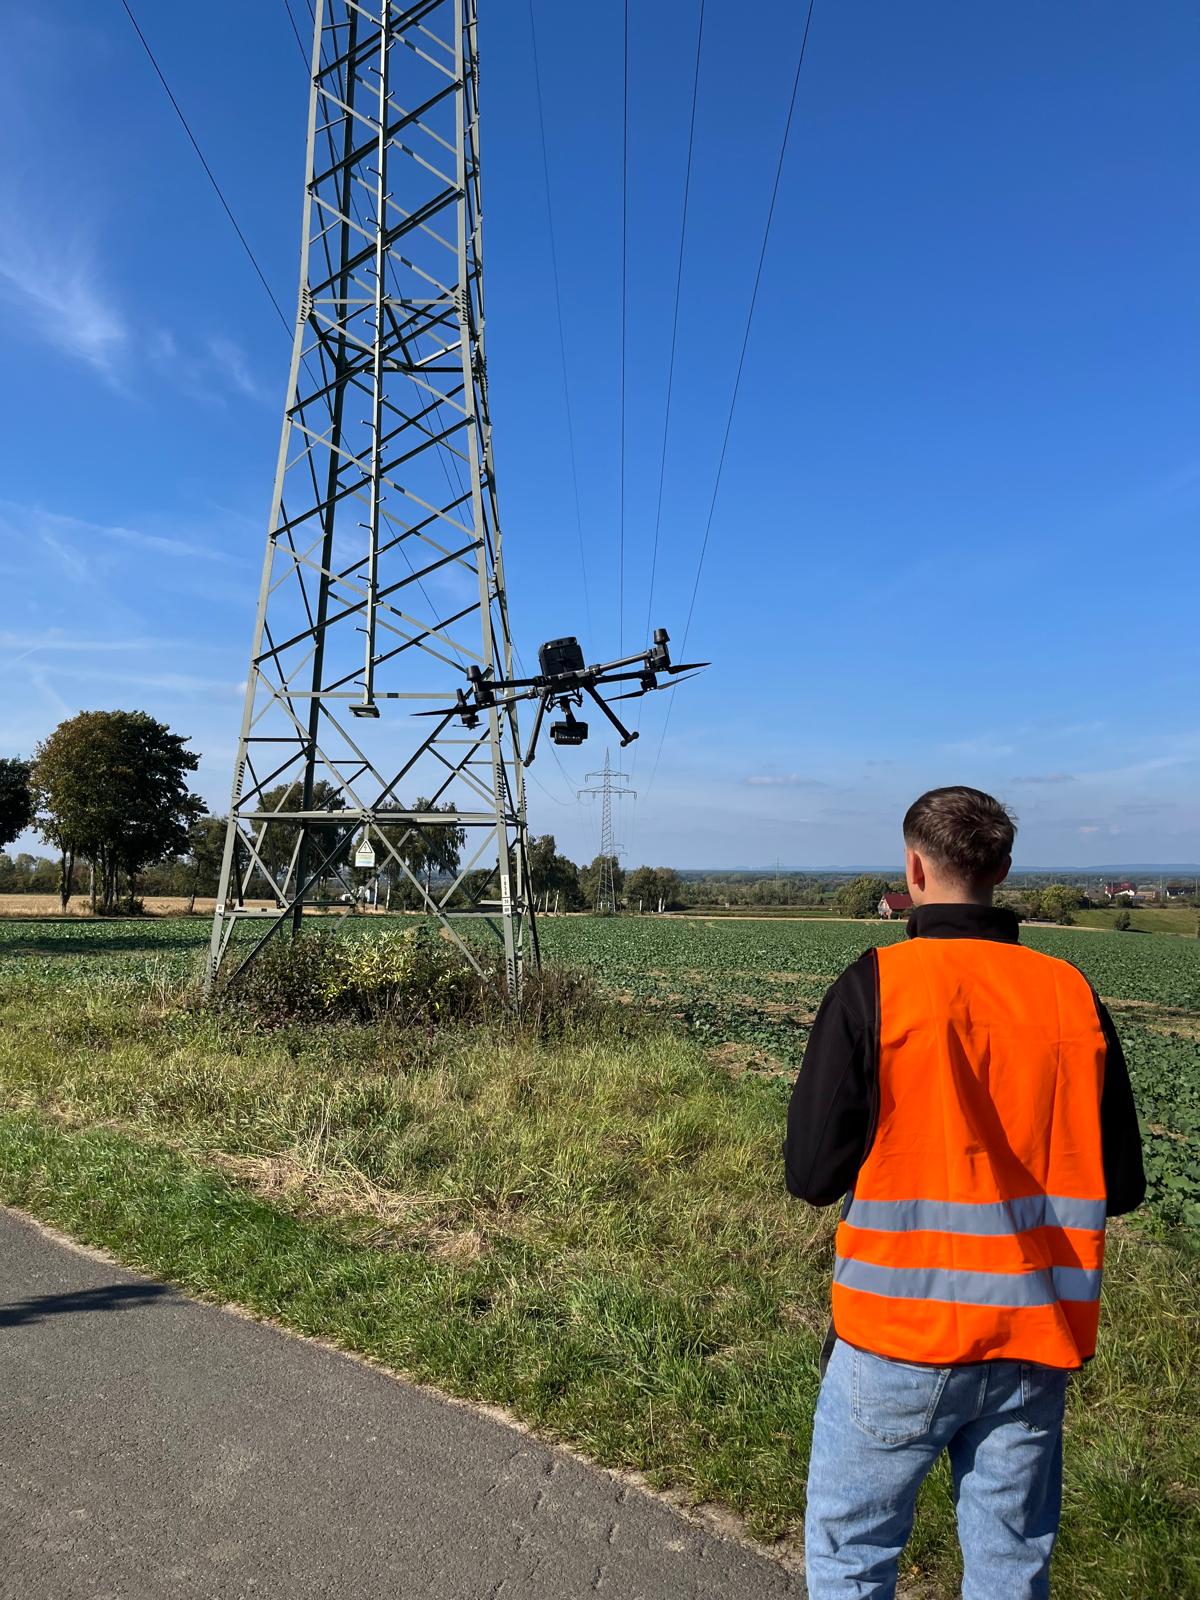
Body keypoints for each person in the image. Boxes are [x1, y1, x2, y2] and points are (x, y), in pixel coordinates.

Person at [784, 786, 1144, 1599]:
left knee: (853, 1561)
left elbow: (810, 1177)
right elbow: (1118, 1185)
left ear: (913, 868)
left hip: (895, 1337)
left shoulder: (874, 985)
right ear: (1004, 871)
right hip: (1031, 1343)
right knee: (1012, 1572)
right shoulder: (1070, 996)